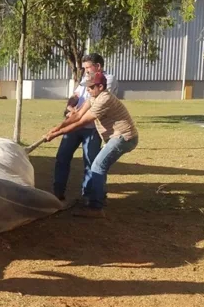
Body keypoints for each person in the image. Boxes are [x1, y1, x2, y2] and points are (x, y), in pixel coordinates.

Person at [46, 72, 138, 217]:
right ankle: (98, 200)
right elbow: (76, 115)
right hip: (116, 137)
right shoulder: (93, 97)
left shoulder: (104, 99)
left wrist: (56, 134)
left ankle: (96, 208)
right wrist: (57, 128)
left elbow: (82, 123)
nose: (87, 90)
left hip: (124, 137)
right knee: (99, 166)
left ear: (100, 86)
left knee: (97, 166)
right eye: (87, 87)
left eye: (91, 87)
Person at [52, 53, 117, 203]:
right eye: (84, 68)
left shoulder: (108, 79)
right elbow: (76, 94)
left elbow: (94, 100)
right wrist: (70, 106)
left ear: (98, 67)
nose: (86, 71)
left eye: (88, 67)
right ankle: (57, 192)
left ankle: (88, 195)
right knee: (62, 157)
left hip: (92, 127)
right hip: (75, 125)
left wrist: (74, 115)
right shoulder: (86, 78)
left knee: (90, 162)